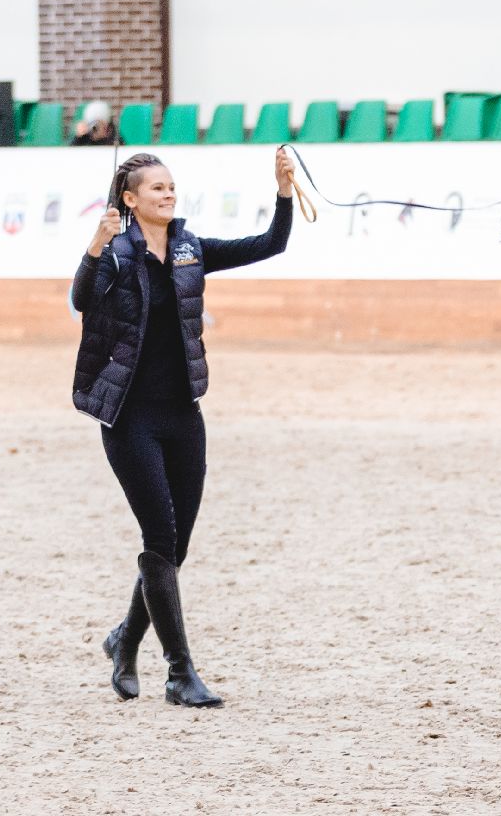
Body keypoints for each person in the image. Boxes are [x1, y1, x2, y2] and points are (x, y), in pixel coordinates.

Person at [71, 147, 296, 707]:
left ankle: (125, 640)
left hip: (183, 416)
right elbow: (80, 300)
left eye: (171, 187)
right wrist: (95, 247)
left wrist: (284, 191)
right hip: (129, 418)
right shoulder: (116, 254)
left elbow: (270, 244)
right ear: (130, 199)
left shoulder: (191, 249)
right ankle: (179, 673)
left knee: (176, 548)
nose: (168, 194)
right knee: (159, 539)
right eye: (156, 189)